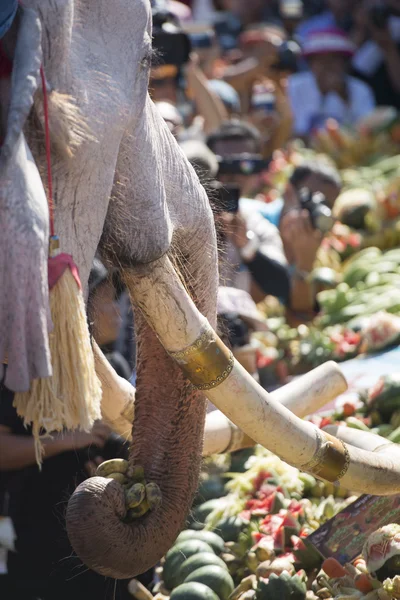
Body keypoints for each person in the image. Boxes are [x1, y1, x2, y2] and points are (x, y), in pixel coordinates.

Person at [0, 259, 135, 600]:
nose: (116, 313)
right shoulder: (25, 375)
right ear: (79, 309)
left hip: (104, 539)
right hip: (39, 538)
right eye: (105, 300)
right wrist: (65, 441)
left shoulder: (113, 369)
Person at [206, 120, 291, 304]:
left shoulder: (255, 221)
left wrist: (246, 245)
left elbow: (280, 285)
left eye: (244, 165)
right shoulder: (180, 215)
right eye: (224, 165)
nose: (233, 175)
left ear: (256, 173)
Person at [244, 162, 342, 320]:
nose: (313, 210)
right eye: (309, 197)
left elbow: (299, 318)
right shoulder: (246, 217)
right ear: (288, 192)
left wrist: (305, 263)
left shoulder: (317, 249)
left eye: (325, 205)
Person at [288, 28, 376, 137]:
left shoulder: (360, 89)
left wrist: (344, 96)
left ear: (345, 63)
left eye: (334, 59)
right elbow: (293, 129)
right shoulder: (293, 85)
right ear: (310, 64)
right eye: (320, 60)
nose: (327, 65)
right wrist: (322, 95)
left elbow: (368, 130)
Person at [352, 0, 400, 109]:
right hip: (369, 108)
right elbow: (344, 68)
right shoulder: (358, 25)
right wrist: (360, 29)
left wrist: (388, 48)